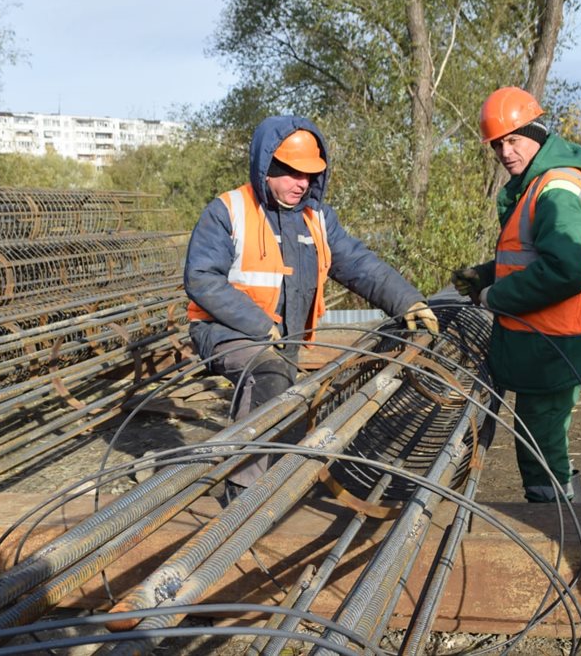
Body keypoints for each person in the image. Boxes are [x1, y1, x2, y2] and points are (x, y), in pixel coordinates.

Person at [184, 115, 438, 499]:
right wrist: (256, 322)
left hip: (282, 338)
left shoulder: (315, 218)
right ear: (265, 167)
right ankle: (241, 495)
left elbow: (357, 263)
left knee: (285, 401)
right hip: (226, 330)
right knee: (267, 377)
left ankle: (266, 482)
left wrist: (406, 300)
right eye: (291, 173)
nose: (301, 183)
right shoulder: (228, 211)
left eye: (309, 174)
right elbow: (202, 277)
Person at [452, 87, 581, 503]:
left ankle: (557, 525)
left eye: (514, 139)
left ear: (538, 134)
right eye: (498, 144)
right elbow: (535, 254)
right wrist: (487, 274)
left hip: (556, 341)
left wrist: (495, 296)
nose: (505, 152)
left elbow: (563, 269)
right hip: (557, 339)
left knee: (539, 442)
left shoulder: (554, 190)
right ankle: (564, 513)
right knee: (546, 435)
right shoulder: (540, 182)